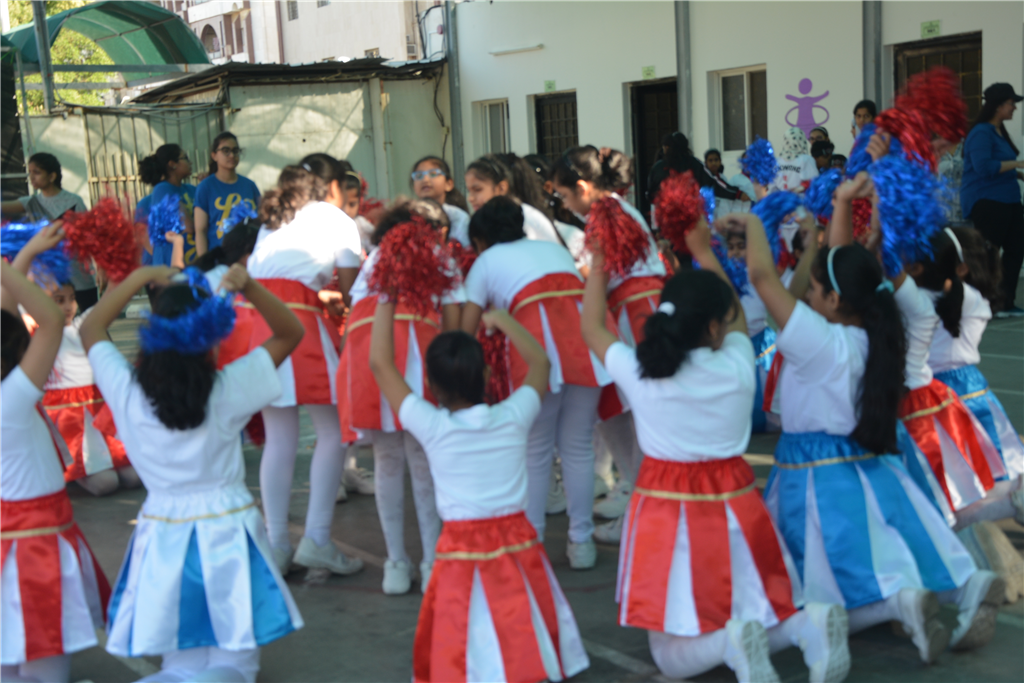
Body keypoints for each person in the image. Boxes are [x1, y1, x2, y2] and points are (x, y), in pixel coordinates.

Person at [580, 217, 851, 683]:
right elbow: (739, 318)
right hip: (737, 501)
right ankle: (805, 625)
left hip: (669, 510)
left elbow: (591, 328)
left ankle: (731, 643)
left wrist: (600, 263)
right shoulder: (737, 363)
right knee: (752, 601)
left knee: (669, 653)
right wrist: (705, 253)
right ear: (712, 327)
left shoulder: (641, 371)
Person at [748, 176, 1000, 661]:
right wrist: (844, 204)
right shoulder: (872, 330)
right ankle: (963, 585)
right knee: (903, 538)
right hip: (870, 457)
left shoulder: (816, 340)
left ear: (833, 300)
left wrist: (756, 224)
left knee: (823, 575)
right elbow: (844, 265)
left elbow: (763, 279)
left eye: (814, 289)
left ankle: (898, 604)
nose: (807, 296)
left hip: (814, 470)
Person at [80, 263, 306, 683]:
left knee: (179, 664)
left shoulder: (127, 391)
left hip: (162, 530)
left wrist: (137, 278)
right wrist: (250, 287)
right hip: (228, 529)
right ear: (211, 340)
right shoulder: (227, 388)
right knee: (235, 665)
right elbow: (291, 332)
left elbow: (90, 328)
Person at [369, 298, 590, 683]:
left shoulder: (433, 427)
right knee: (521, 618)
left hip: (460, 547)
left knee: (466, 630)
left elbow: (380, 364)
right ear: (487, 374)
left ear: (430, 386)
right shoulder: (513, 415)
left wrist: (386, 296)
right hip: (518, 541)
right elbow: (540, 363)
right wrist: (503, 320)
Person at [460, 196, 611, 569]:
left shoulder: (485, 262)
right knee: (578, 447)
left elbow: (465, 331)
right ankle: (581, 542)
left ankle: (534, 544)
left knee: (535, 450)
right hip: (585, 346)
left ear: (480, 239)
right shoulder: (554, 250)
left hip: (536, 350)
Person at [337, 199, 464, 595]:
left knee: (387, 460)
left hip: (367, 352)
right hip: (416, 352)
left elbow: (357, 308)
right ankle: (432, 562)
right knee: (422, 462)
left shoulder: (376, 256)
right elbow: (454, 326)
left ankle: (395, 563)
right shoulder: (442, 258)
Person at [0, 230, 110, 683]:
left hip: (13, 538)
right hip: (33, 544)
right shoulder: (11, 398)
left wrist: (21, 259)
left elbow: (8, 317)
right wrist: (16, 258)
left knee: (10, 655)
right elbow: (46, 320)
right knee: (45, 656)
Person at [247, 157, 365, 576]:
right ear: (332, 187)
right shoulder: (337, 219)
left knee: (279, 438)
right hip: (298, 324)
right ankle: (316, 539)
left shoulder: (274, 219)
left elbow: (274, 276)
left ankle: (277, 544)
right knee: (333, 432)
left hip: (258, 322)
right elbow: (353, 291)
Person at [552, 146, 667, 543]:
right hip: (634, 310)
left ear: (583, 188)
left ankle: (642, 507)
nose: (564, 205)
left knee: (637, 412)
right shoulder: (613, 210)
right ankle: (637, 499)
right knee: (621, 410)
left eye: (564, 195)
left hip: (635, 314)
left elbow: (604, 275)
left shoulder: (607, 215)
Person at [915, 227, 1023, 527]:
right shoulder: (972, 298)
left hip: (940, 392)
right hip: (966, 387)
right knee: (985, 465)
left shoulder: (927, 300)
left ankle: (1003, 504)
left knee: (963, 472)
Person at [959, 83, 1024, 316]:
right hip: (987, 201)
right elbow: (984, 167)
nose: (1014, 107)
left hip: (1009, 199)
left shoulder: (999, 132)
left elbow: (999, 165)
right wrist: (1017, 164)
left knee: (1016, 250)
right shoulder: (981, 133)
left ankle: (1005, 302)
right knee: (987, 254)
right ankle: (982, 304)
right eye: (1011, 103)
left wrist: (1018, 173)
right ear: (998, 106)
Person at [1, 152, 96, 310]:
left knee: (88, 318)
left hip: (78, 277)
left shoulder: (74, 201)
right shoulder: (30, 202)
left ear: (52, 176)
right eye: (30, 172)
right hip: (48, 280)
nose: (31, 177)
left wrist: (101, 269)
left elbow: (90, 237)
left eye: (37, 172)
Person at [464, 153, 563, 244]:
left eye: (478, 190)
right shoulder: (483, 223)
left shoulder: (527, 220)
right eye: (469, 191)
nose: (470, 198)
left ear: (501, 188)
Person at [194, 131, 261, 257]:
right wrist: (204, 262)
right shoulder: (205, 187)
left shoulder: (250, 185)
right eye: (226, 151)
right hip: (219, 258)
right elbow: (200, 230)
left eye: (235, 151)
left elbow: (262, 221)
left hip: (249, 256)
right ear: (214, 156)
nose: (232, 155)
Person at [648, 133, 749, 205]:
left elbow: (650, 195)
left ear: (667, 147)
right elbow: (713, 183)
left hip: (666, 219)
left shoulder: (658, 168)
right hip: (689, 216)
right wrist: (737, 194)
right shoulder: (693, 164)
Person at [141, 144, 198, 267]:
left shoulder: (191, 189)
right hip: (170, 263)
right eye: (185, 158)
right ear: (172, 164)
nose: (190, 162)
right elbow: (188, 225)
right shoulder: (162, 189)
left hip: (191, 262)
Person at [411, 156, 471, 247]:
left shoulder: (459, 218)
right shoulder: (409, 215)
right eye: (419, 176)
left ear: (448, 184)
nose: (425, 179)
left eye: (433, 174)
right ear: (414, 187)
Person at [773, 127, 818, 193]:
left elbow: (771, 188)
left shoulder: (776, 161)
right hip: (800, 198)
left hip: (780, 199)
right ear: (802, 140)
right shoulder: (806, 159)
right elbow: (814, 182)